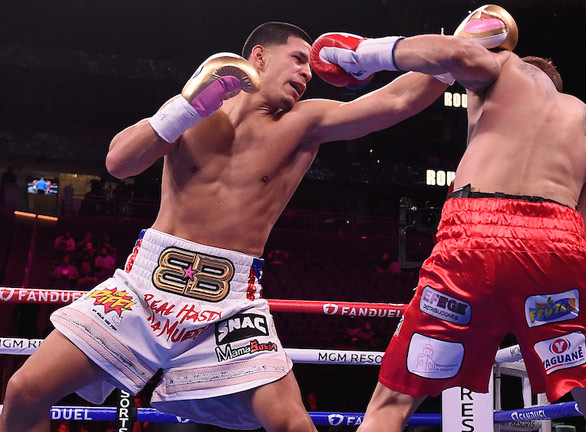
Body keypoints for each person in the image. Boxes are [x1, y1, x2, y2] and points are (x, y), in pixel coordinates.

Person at [0, 22, 448, 432]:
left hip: (231, 301)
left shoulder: (304, 123)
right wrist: (185, 107)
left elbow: (397, 100)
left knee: (291, 423)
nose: (307, 73)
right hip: (143, 285)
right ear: (258, 57)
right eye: (298, 59)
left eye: (310, 67)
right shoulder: (192, 111)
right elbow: (118, 163)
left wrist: (459, 50)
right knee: (24, 392)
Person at [313, 5, 586, 432]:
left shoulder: (508, 67)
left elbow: (459, 55)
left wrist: (362, 53)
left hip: (476, 235)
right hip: (559, 249)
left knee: (393, 401)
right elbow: (584, 232)